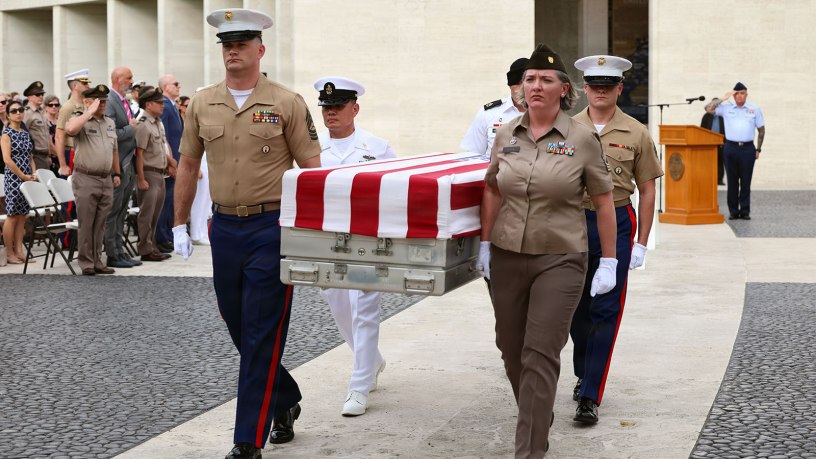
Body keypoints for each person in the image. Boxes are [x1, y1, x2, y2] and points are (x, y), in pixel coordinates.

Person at [172, 8, 321, 459]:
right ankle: (285, 396)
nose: (232, 51)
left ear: (260, 49)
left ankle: (247, 439)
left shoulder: (287, 102)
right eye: (227, 44)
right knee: (236, 321)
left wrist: (310, 230)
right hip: (224, 229)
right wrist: (179, 223)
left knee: (260, 328)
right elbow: (187, 165)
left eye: (241, 44)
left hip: (270, 228)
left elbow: (311, 170)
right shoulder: (203, 103)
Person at [477, 43, 617, 457]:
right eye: (530, 79)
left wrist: (610, 260)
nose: (535, 86)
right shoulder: (506, 133)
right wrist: (484, 243)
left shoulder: (583, 139)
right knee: (510, 348)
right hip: (507, 255)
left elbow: (604, 201)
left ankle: (530, 449)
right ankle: (538, 412)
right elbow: (492, 188)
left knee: (540, 353)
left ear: (563, 89)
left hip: (561, 258)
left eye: (546, 79)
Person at [569, 55, 664, 424]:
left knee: (606, 308)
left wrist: (641, 242)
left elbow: (648, 189)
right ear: (584, 88)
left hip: (619, 220)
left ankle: (590, 394)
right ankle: (583, 372)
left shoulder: (637, 133)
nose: (601, 91)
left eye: (608, 86)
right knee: (576, 309)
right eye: (595, 85)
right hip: (572, 222)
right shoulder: (567, 128)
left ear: (620, 88)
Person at [313, 76, 395, 416]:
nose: (330, 112)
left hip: (366, 238)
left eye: (337, 106)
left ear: (355, 108)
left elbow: (394, 190)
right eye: (326, 107)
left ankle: (359, 386)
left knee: (364, 307)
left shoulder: (377, 147)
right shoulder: (312, 149)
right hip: (328, 239)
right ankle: (371, 360)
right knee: (338, 306)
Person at [64, 84, 122, 276]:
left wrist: (117, 173)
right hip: (86, 177)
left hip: (105, 179)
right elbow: (70, 129)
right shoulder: (80, 119)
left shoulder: (109, 122)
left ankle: (98, 260)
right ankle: (86, 262)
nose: (103, 104)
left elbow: (114, 150)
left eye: (104, 101)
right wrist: (88, 112)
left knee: (100, 223)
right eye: (99, 101)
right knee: (87, 222)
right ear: (88, 102)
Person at [104, 66, 142, 268]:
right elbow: (110, 134)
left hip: (129, 161)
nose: (132, 81)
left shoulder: (122, 100)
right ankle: (112, 253)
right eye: (129, 77)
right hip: (118, 163)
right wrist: (131, 128)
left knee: (122, 210)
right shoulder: (110, 101)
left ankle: (120, 250)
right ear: (119, 80)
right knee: (114, 210)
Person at [712, 82, 765, 220]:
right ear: (733, 95)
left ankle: (745, 211)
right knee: (732, 181)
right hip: (730, 148)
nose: (740, 96)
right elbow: (708, 109)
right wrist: (723, 99)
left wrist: (758, 148)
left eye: (742, 93)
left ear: (746, 95)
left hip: (748, 149)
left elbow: (761, 130)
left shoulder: (754, 109)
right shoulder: (726, 108)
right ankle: (734, 211)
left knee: (746, 181)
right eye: (737, 94)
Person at [134, 86, 176, 262]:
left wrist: (169, 161)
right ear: (148, 104)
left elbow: (160, 147)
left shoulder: (156, 122)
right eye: (159, 103)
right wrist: (141, 178)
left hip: (159, 173)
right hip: (149, 173)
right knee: (147, 214)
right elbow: (139, 154)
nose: (162, 106)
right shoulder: (143, 123)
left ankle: (152, 246)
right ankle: (145, 249)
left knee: (155, 214)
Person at [460, 57, 528, 159]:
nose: (522, 89)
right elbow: (471, 156)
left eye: (527, 83)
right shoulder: (489, 114)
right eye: (518, 84)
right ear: (510, 85)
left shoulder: (546, 114)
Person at [2, 100, 37, 264]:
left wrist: (33, 173)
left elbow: (31, 157)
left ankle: (19, 251)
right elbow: (7, 160)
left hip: (27, 178)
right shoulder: (6, 134)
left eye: (20, 110)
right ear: (8, 115)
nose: (18, 113)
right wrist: (22, 175)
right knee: (12, 216)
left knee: (22, 216)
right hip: (14, 178)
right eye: (14, 111)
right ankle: (9, 253)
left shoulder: (25, 133)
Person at [155, 74, 183, 254]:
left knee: (171, 200)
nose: (179, 86)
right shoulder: (164, 105)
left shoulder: (172, 105)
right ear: (165, 87)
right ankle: (162, 236)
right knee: (165, 202)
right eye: (175, 84)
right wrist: (169, 163)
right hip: (169, 161)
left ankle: (167, 235)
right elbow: (163, 137)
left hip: (176, 159)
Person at [56, 69, 92, 177]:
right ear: (75, 86)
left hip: (87, 152)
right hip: (73, 153)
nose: (88, 86)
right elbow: (59, 137)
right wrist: (63, 165)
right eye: (84, 83)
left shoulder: (87, 105)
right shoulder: (68, 107)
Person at [22, 81, 52, 171]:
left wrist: (48, 155)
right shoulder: (26, 112)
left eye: (42, 94)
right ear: (29, 97)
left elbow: (45, 135)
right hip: (35, 156)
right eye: (37, 94)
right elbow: (22, 134)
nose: (41, 96)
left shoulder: (42, 111)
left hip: (45, 155)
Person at [701, 98, 726, 185]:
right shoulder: (706, 116)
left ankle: (719, 179)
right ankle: (709, 178)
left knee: (720, 162)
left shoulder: (723, 116)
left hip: (721, 143)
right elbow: (702, 129)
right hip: (709, 143)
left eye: (717, 105)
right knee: (709, 162)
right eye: (713, 105)